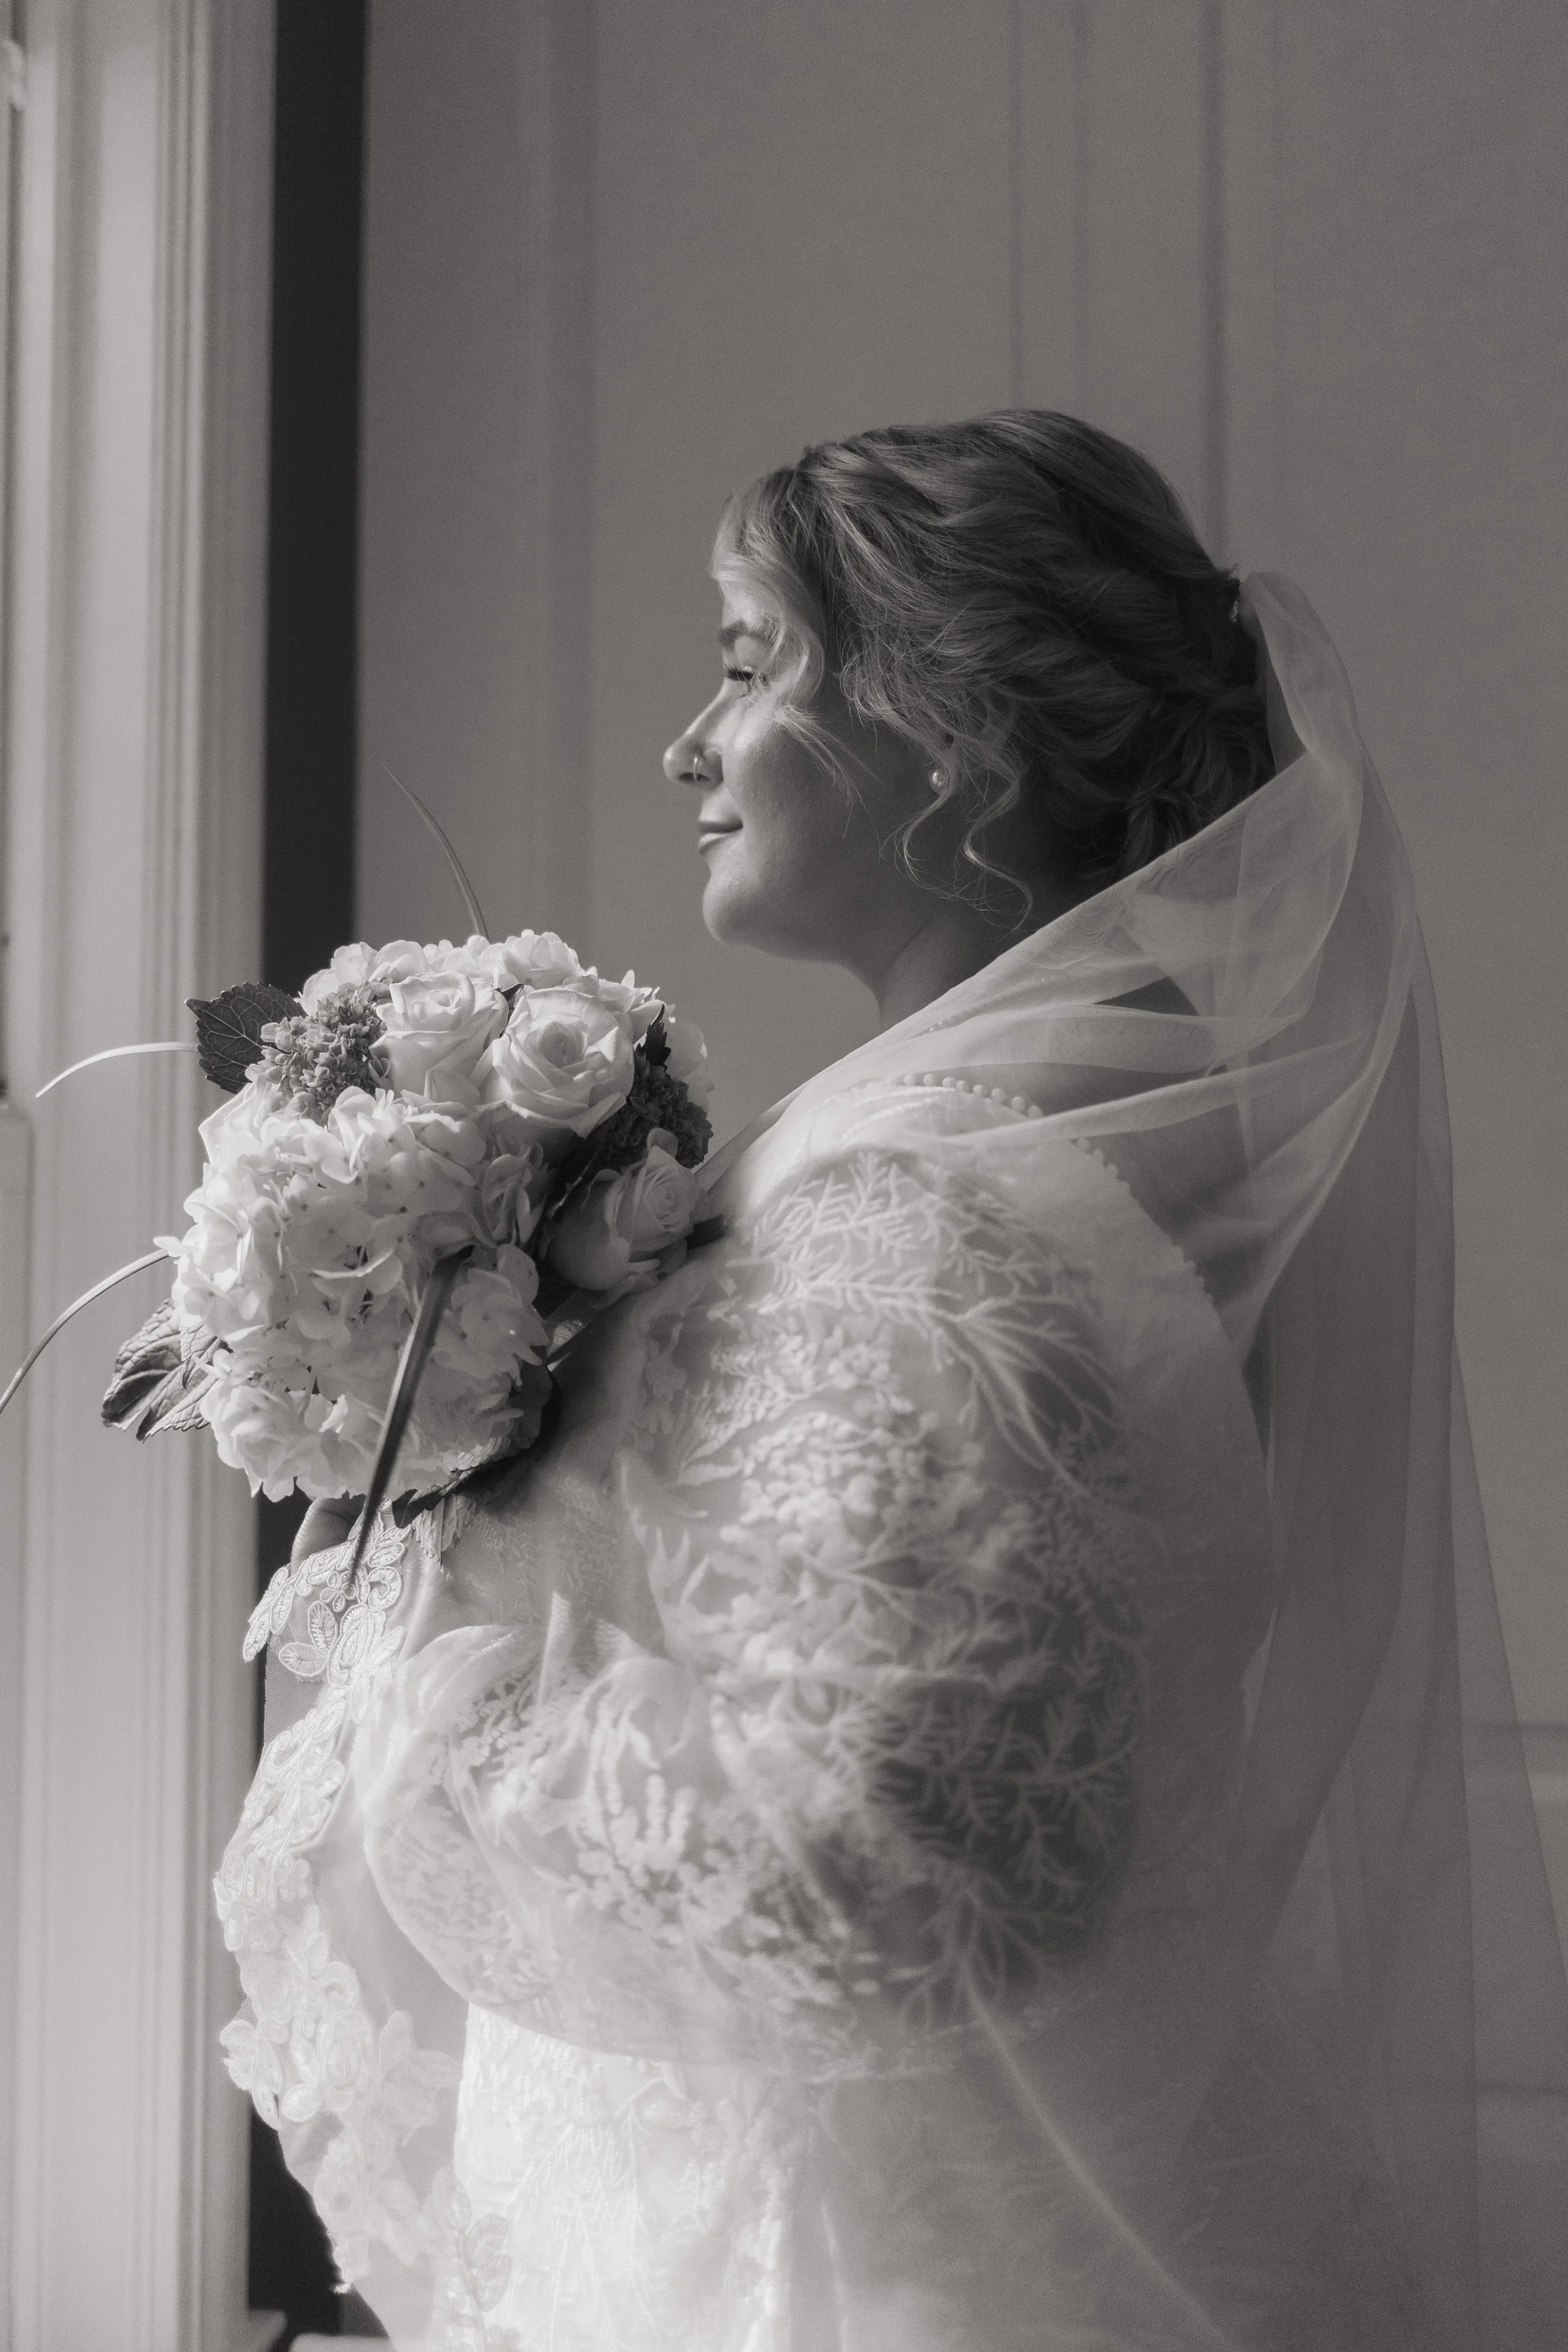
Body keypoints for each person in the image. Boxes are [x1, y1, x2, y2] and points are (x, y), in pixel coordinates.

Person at [218, 412, 1568, 2350]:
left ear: (956, 743)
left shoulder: (918, 1215)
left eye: (748, 661)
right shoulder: (1051, 1137)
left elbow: (874, 1872)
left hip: (859, 2277)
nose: (688, 745)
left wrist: (424, 1679)